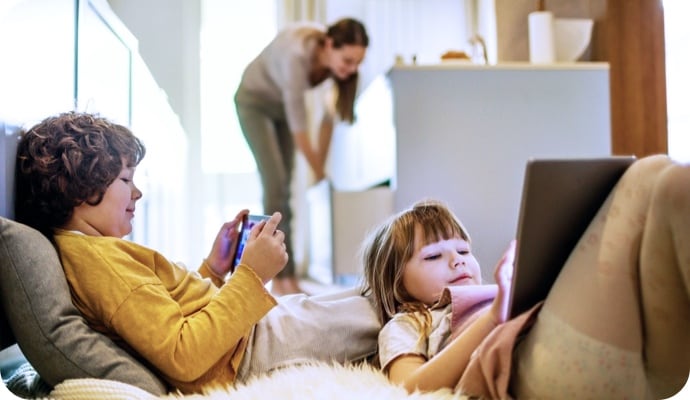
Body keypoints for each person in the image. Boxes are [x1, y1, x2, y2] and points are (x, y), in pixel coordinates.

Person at [14, 112, 379, 394]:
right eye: (126, 180)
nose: (137, 193)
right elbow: (183, 355)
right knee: (378, 311)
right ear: (80, 189)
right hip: (250, 352)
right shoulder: (101, 265)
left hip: (246, 338)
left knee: (360, 300)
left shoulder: (96, 253)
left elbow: (171, 317)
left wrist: (214, 270)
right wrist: (251, 275)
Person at [362, 159, 690, 400]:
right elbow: (408, 387)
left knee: (669, 177)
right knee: (650, 177)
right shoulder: (408, 322)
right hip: (537, 368)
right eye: (433, 256)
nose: (456, 259)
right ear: (397, 285)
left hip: (650, 368)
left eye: (463, 249)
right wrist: (494, 317)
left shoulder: (495, 291)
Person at [234, 17, 369, 295]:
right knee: (276, 185)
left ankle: (289, 273)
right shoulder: (297, 55)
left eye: (357, 63)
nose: (351, 69)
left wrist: (321, 167)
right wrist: (317, 168)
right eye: (348, 60)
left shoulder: (335, 67)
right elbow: (300, 127)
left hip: (280, 109)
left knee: (286, 189)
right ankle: (281, 277)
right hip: (254, 103)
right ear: (329, 45)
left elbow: (326, 123)